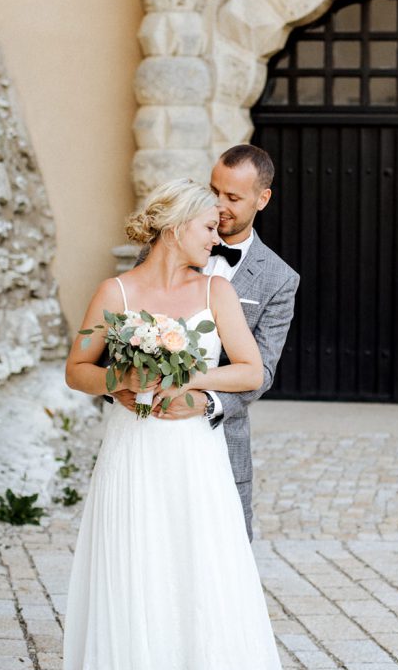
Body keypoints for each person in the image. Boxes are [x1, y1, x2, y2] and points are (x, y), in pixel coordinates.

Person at [0, 179, 298, 670]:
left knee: (198, 570)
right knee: (134, 569)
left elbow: (250, 368)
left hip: (193, 456)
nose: (218, 236)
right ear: (175, 226)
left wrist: (191, 385)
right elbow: (78, 368)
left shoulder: (217, 290)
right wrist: (120, 385)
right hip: (132, 452)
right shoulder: (116, 292)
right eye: (209, 226)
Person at [114, 145, 299, 541]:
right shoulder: (166, 248)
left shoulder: (279, 279)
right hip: (149, 429)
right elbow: (128, 327)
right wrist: (122, 386)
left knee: (223, 553)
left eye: (233, 198)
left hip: (219, 432)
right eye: (214, 191)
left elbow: (261, 371)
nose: (219, 205)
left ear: (262, 199)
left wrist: (206, 401)